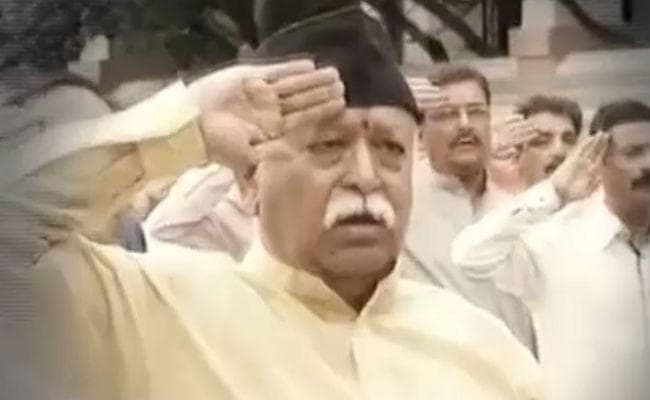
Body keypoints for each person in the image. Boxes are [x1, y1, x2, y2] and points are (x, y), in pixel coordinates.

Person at [3, 3, 541, 399]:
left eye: (390, 150)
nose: (365, 177)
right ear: (249, 181)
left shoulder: (485, 351)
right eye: (328, 145)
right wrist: (180, 130)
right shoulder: (150, 311)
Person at [451, 100, 650, 400]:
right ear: (599, 159)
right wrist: (554, 192)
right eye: (634, 153)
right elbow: (468, 256)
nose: (648, 163)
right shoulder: (551, 240)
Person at [402, 67, 536, 352]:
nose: (464, 125)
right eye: (447, 114)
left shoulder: (515, 211)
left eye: (475, 112)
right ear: (421, 131)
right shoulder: (401, 201)